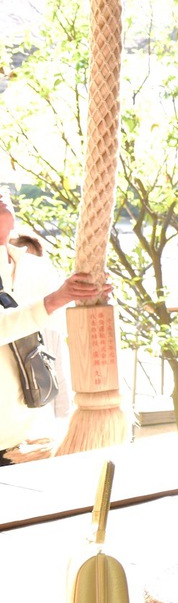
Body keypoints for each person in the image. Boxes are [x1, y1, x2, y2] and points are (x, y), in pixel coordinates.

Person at [1, 193, 111, 464]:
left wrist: (94, 298)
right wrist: (54, 300)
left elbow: (64, 327)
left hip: (33, 434)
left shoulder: (35, 268)